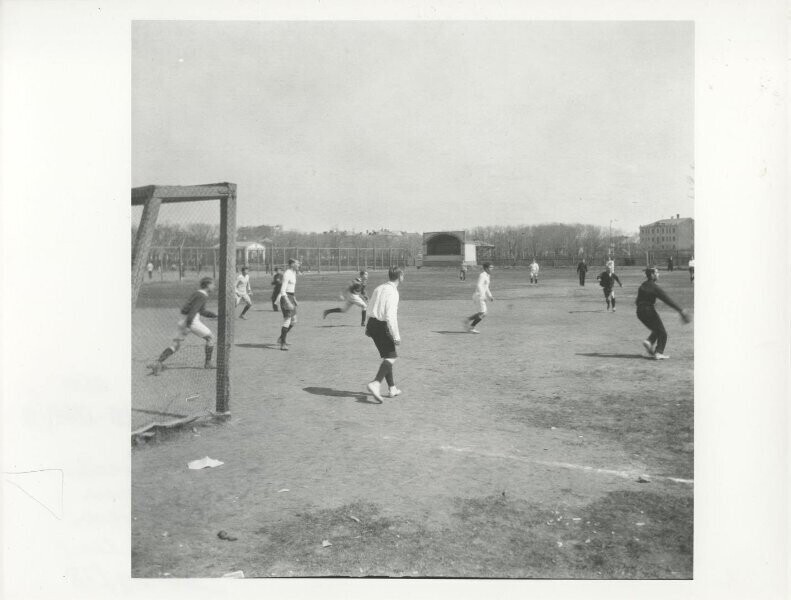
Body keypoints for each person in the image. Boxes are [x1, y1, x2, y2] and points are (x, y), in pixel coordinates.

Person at [148, 277, 217, 374]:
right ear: (207, 285)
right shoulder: (202, 295)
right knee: (210, 338)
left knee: (175, 346)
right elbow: (193, 311)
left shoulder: (197, 293)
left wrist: (214, 315)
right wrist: (189, 325)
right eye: (213, 284)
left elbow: (201, 311)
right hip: (192, 321)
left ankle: (158, 363)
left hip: (183, 320)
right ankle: (208, 363)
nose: (214, 286)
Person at [365, 266, 404, 401]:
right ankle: (376, 383)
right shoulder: (393, 292)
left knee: (387, 356)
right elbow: (390, 316)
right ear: (400, 277)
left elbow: (369, 306)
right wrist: (396, 336)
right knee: (392, 357)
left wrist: (367, 326)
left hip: (372, 324)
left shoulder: (379, 288)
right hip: (382, 325)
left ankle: (392, 388)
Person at [636, 267, 691, 359]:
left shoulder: (642, 285)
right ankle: (658, 352)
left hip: (639, 312)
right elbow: (667, 300)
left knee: (657, 330)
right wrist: (680, 310)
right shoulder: (655, 287)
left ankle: (649, 342)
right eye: (657, 272)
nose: (658, 274)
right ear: (652, 275)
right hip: (648, 310)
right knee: (663, 333)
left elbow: (637, 301)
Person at [274, 259, 300, 351]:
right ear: (292, 264)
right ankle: (283, 344)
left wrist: (294, 299)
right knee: (287, 320)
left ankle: (281, 338)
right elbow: (283, 290)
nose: (299, 264)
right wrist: (288, 301)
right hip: (285, 297)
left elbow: (291, 288)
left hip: (291, 297)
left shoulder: (293, 273)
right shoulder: (287, 274)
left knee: (294, 320)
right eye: (297, 263)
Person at [462, 263, 494, 333]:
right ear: (486, 268)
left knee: (483, 313)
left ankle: (467, 321)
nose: (492, 269)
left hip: (479, 295)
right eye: (490, 267)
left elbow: (486, 287)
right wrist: (483, 296)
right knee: (483, 313)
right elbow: (479, 285)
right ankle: (471, 327)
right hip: (478, 295)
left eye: (492, 267)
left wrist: (490, 296)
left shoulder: (488, 276)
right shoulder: (482, 275)